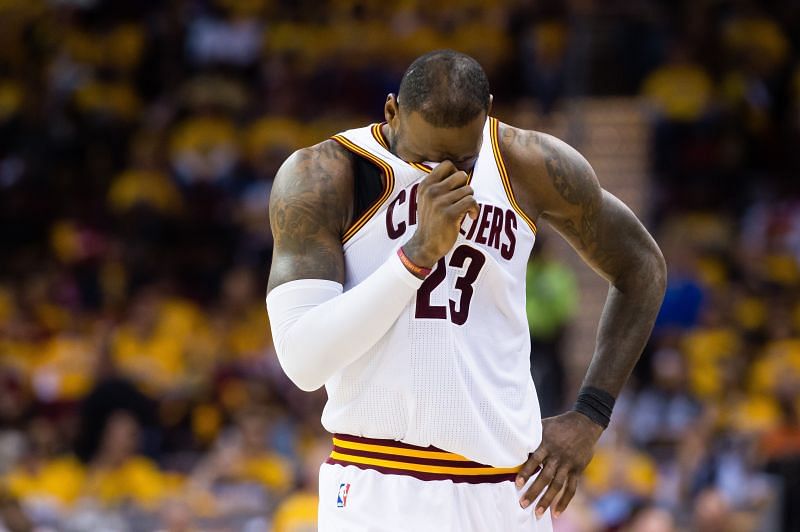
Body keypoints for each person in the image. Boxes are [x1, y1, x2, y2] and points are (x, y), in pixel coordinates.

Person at [266, 50, 666, 531]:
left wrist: (590, 416)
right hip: (377, 484)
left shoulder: (529, 164)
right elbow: (303, 362)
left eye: (463, 158)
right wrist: (415, 256)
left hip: (503, 491)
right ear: (391, 112)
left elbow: (641, 266)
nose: (445, 172)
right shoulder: (325, 174)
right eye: (426, 157)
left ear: (487, 115)